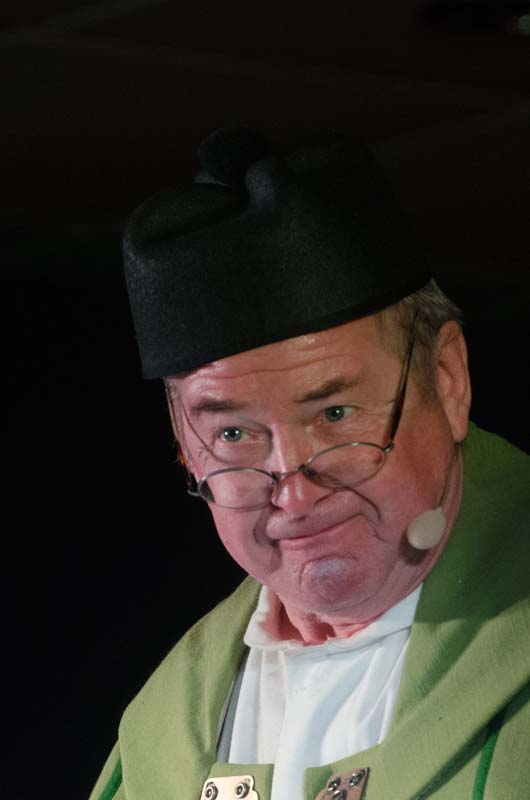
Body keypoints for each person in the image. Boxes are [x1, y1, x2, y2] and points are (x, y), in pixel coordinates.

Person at [89, 128, 530, 800]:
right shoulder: (167, 726)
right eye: (234, 434)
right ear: (183, 441)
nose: (294, 495)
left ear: (447, 380)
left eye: (334, 414)